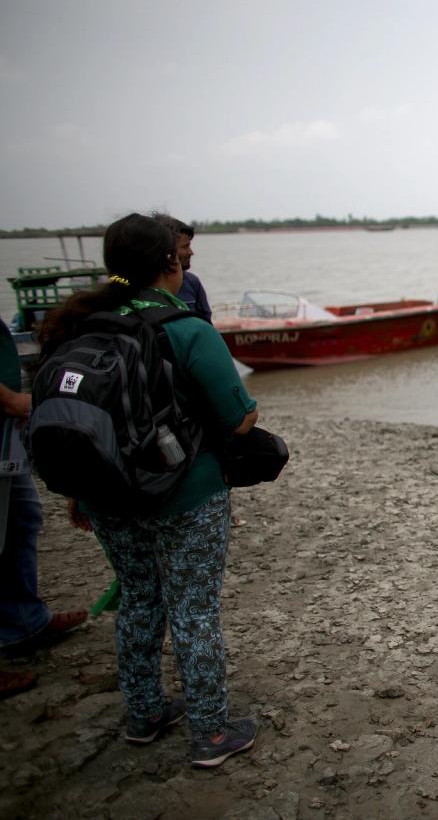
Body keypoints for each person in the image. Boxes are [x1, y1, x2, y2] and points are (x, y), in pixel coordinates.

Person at [38, 213, 259, 766]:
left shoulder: (78, 323)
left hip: (104, 490)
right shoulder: (186, 328)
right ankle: (211, 734)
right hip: (186, 494)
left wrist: (79, 491)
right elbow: (237, 417)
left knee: (138, 598)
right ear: (171, 262)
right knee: (193, 608)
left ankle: (144, 712)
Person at [0, 320, 88, 697]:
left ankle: (24, 621)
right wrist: (14, 400)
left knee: (22, 518)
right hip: (6, 414)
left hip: (6, 435)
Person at [153, 214, 212, 323]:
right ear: (167, 250)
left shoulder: (192, 282)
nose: (191, 252)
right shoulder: (137, 287)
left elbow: (206, 322)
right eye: (185, 246)